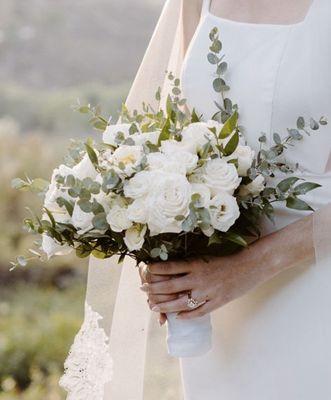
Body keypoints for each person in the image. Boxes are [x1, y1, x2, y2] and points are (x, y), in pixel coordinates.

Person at [61, 1, 331, 399]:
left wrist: (246, 269)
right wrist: (156, 233)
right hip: (213, 305)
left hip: (314, 286)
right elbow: (179, 131)